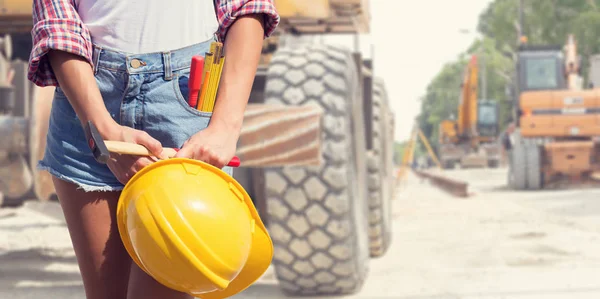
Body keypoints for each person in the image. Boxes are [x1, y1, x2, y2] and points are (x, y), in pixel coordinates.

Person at [27, 1, 280, 298]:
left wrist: (225, 126)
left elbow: (248, 6)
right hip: (88, 98)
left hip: (184, 97)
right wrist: (102, 131)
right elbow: (58, 24)